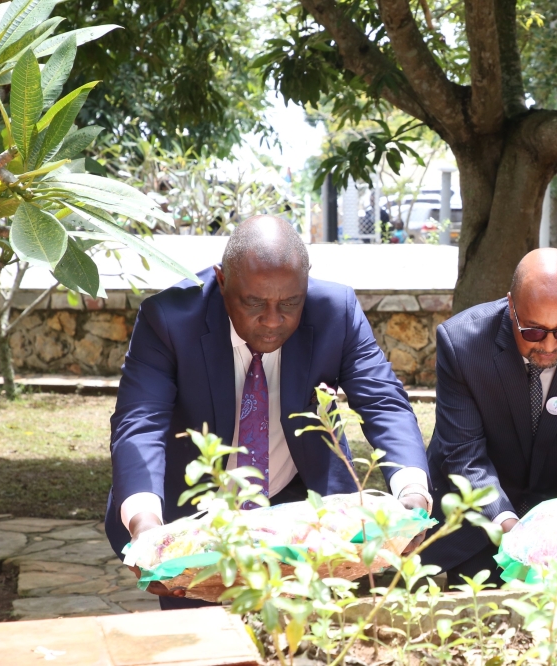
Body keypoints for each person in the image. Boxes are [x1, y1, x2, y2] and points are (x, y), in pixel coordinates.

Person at [106, 215, 432, 609]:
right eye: (254, 302)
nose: (274, 320)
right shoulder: (169, 321)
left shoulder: (336, 313)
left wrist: (413, 494)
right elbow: (139, 423)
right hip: (193, 525)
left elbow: (383, 402)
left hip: (305, 513)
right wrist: (146, 527)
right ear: (222, 281)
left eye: (290, 302)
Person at [422, 249, 557, 586]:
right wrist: (514, 531)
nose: (550, 345)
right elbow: (464, 457)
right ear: (511, 307)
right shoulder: (463, 345)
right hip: (475, 527)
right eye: (534, 331)